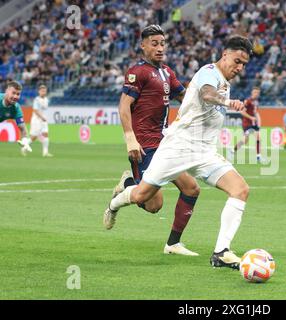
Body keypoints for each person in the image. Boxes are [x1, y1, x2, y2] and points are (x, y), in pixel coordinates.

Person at [105, 35, 253, 269]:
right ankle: (115, 203)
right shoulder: (209, 73)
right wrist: (227, 102)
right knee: (143, 197)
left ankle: (221, 252)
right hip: (178, 146)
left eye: (244, 64)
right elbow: (206, 94)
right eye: (237, 61)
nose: (240, 67)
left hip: (204, 152)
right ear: (225, 54)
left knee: (240, 189)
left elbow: (193, 97)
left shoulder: (225, 82)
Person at [104, 25, 201, 256]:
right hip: (144, 145)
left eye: (162, 43)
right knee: (154, 205)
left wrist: (206, 95)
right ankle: (127, 186)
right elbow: (124, 105)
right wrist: (130, 140)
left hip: (166, 144)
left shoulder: (167, 72)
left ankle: (173, 244)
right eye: (154, 43)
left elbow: (185, 97)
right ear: (143, 45)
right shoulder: (137, 72)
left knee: (191, 188)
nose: (159, 48)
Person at [0, 81, 32, 155]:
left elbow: (23, 129)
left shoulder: (16, 109)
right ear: (7, 91)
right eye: (13, 93)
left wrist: (25, 140)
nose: (15, 97)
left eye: (18, 94)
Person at [232, 87, 263, 162]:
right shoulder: (248, 101)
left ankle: (258, 156)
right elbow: (242, 112)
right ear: (252, 92)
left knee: (258, 137)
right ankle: (233, 150)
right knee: (245, 140)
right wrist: (251, 117)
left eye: (258, 93)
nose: (256, 94)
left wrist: (258, 119)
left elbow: (255, 112)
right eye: (255, 92)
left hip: (253, 123)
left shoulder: (256, 102)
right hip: (247, 123)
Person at [30, 84, 52, 157]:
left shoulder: (46, 100)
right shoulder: (37, 100)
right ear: (39, 92)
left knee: (46, 134)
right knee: (34, 137)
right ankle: (24, 146)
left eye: (45, 91)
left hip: (43, 120)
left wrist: (44, 118)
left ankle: (45, 152)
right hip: (36, 120)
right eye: (42, 91)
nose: (43, 92)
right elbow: (35, 110)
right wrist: (42, 117)